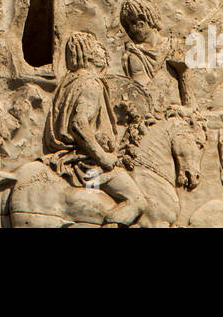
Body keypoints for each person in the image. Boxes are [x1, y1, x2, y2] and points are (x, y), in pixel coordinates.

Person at [39, 32, 146, 225]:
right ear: (88, 55)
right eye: (97, 46)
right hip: (86, 161)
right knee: (137, 201)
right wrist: (103, 157)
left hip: (68, 155)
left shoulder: (68, 82)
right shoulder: (91, 83)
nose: (103, 51)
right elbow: (79, 124)